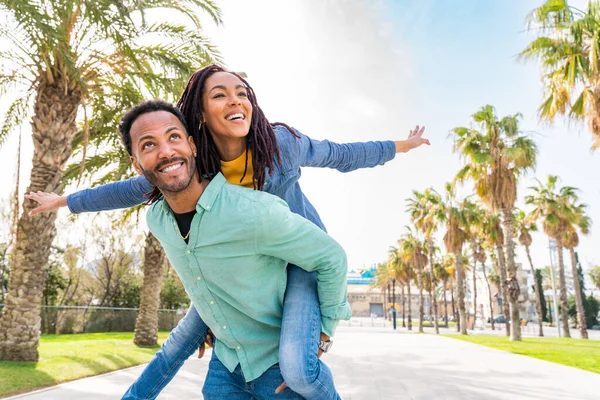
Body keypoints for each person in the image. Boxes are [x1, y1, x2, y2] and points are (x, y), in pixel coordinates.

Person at [26, 65, 430, 399]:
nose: (236, 100)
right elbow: (135, 187)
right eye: (220, 94)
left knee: (298, 368)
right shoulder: (193, 162)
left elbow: (341, 154)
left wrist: (400, 146)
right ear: (200, 115)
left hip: (298, 261)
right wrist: (64, 202)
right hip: (250, 267)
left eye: (242, 92)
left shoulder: (281, 144)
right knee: (178, 343)